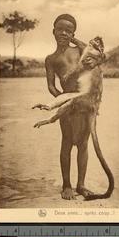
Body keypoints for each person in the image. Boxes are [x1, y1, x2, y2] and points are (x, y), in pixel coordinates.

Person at [45, 14, 99, 200]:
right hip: (67, 105)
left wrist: (74, 39)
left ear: (74, 34)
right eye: (60, 29)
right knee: (67, 142)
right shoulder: (51, 59)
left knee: (83, 144)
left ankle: (81, 185)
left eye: (68, 30)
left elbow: (94, 53)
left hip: (85, 102)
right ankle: (66, 185)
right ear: (53, 32)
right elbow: (52, 86)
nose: (63, 33)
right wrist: (63, 100)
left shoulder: (79, 51)